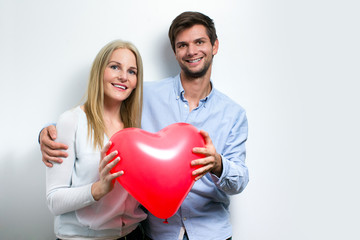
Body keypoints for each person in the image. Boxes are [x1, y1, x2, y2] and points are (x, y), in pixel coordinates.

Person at [40, 12, 249, 240]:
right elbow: (98, 115)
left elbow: (239, 180)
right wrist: (48, 133)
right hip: (157, 233)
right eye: (182, 45)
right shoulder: (144, 96)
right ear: (175, 52)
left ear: (214, 46)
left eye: (199, 42)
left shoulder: (234, 114)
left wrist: (218, 164)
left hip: (211, 232)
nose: (191, 51)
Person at [45, 40, 147, 240]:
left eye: (132, 71)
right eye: (115, 67)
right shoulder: (71, 121)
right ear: (99, 71)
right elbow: (54, 201)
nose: (123, 77)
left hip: (133, 235)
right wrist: (98, 188)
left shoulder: (135, 128)